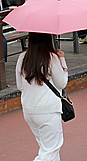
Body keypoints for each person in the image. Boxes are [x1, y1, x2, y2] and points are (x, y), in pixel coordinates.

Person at [16, 33, 68, 161]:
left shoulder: (22, 57)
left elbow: (19, 86)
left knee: (47, 148)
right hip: (48, 110)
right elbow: (61, 83)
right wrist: (62, 61)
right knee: (50, 150)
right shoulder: (51, 58)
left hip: (29, 110)